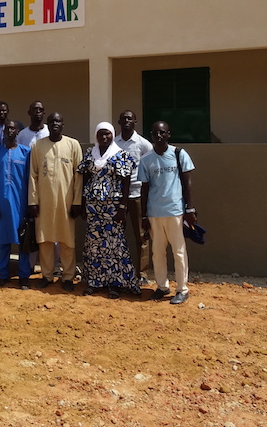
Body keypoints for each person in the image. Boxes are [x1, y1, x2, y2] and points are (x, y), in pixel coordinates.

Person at [77, 122, 140, 297]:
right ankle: (95, 282)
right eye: (101, 134)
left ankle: (115, 283)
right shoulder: (90, 153)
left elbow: (126, 182)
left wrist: (122, 207)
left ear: (113, 135)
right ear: (96, 136)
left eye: (107, 134)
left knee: (114, 245)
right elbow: (85, 178)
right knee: (94, 244)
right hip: (93, 207)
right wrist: (83, 204)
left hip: (113, 207)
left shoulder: (120, 155)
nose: (104, 137)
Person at [138, 121, 197, 305]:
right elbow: (144, 190)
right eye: (155, 133)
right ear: (151, 135)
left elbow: (187, 184)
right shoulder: (146, 160)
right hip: (155, 213)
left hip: (175, 211)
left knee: (178, 251)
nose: (159, 136)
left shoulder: (179, 154)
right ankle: (162, 287)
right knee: (157, 252)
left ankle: (182, 289)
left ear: (168, 134)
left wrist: (190, 209)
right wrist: (144, 215)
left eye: (162, 132)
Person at [28, 112, 83, 292]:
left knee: (67, 240)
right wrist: (33, 201)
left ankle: (68, 276)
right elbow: (33, 175)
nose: (55, 124)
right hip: (44, 201)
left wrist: (77, 202)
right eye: (52, 122)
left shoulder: (73, 145)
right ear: (47, 124)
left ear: (63, 124)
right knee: (45, 239)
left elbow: (78, 176)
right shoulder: (38, 146)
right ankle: (47, 275)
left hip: (66, 202)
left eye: (58, 121)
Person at [0, 120, 32, 289]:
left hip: (21, 205)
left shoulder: (26, 152)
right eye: (7, 128)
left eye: (13, 128)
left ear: (18, 132)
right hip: (1, 205)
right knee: (3, 241)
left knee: (23, 241)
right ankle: (3, 275)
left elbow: (30, 180)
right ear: (3, 132)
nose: (10, 131)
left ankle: (23, 277)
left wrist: (30, 203)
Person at [115, 109, 154, 284]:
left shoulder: (143, 144)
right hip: (117, 196)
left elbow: (150, 167)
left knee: (142, 236)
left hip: (137, 194)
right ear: (119, 122)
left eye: (130, 119)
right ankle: (118, 272)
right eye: (124, 119)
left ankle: (142, 274)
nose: (127, 121)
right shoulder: (114, 142)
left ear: (135, 122)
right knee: (117, 236)